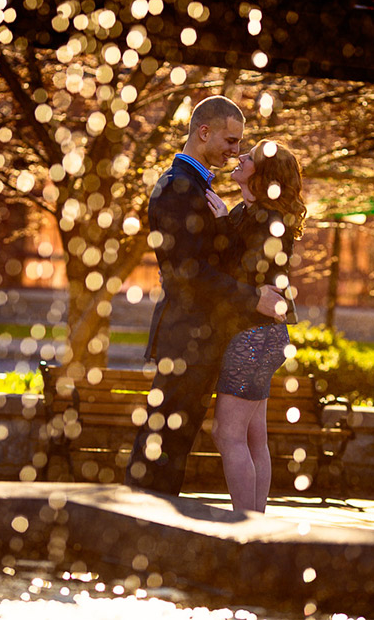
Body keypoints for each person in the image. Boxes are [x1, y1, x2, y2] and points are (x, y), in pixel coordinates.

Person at [125, 96, 287, 496]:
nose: (235, 151)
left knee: (171, 441)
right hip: (186, 338)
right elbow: (189, 275)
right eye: (231, 141)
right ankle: (138, 529)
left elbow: (209, 262)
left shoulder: (198, 187)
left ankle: (150, 530)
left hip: (197, 339)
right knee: (163, 442)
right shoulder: (180, 187)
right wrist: (253, 299)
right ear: (204, 132)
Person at [204, 140, 306, 512]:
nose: (238, 157)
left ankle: (245, 526)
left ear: (261, 175)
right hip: (265, 334)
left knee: (227, 434)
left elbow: (243, 270)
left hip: (254, 335)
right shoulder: (248, 213)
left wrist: (218, 224)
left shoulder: (267, 218)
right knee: (252, 437)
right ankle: (257, 523)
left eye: (247, 158)